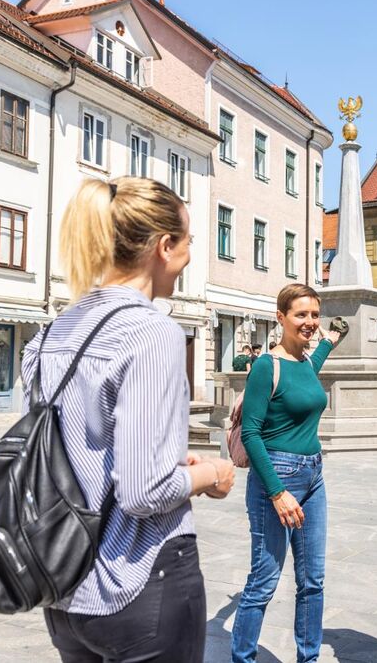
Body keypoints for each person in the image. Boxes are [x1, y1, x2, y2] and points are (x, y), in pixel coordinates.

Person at [23, 177, 236, 662]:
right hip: (140, 581)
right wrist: (210, 474)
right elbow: (144, 492)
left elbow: (65, 455)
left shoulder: (49, 334)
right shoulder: (151, 333)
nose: (187, 259)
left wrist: (164, 458)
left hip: (64, 587)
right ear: (164, 246)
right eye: (187, 244)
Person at [231, 284, 343, 663]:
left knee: (312, 581)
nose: (309, 322)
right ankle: (242, 658)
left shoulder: (307, 363)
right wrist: (278, 492)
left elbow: (313, 366)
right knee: (264, 580)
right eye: (301, 315)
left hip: (314, 476)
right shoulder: (267, 366)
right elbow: (251, 432)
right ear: (281, 318)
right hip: (274, 478)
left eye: (314, 314)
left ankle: (307, 659)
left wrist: (332, 338)